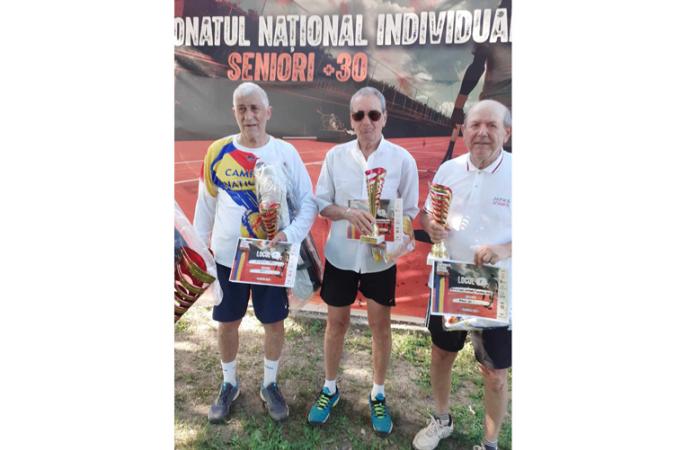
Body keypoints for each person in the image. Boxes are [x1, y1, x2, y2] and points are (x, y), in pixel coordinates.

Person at [193, 82, 317, 423]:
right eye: (242, 109)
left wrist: (289, 235)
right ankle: (229, 384)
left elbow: (308, 202)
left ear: (268, 112)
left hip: (270, 257)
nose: (249, 116)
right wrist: (202, 255)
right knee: (227, 322)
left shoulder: (285, 153)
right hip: (227, 258)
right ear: (234, 112)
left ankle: (269, 384)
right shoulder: (217, 151)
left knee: (273, 322)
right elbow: (205, 208)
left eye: (255, 108)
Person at [308, 87, 419, 436]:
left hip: (379, 260)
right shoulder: (335, 157)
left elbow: (410, 211)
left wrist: (394, 235)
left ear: (384, 117)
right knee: (336, 324)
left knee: (380, 326)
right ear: (351, 119)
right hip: (341, 256)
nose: (366, 121)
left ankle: (378, 393)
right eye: (359, 115)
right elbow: (322, 203)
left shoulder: (402, 159)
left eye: (373, 114)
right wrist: (346, 213)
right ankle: (330, 388)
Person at [412, 99, 512, 450]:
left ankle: (490, 443)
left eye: (491, 125)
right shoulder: (448, 170)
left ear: (507, 132)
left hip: (496, 291)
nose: (482, 132)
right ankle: (441, 419)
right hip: (449, 283)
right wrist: (431, 225)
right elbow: (427, 214)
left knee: (495, 374)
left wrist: (505, 249)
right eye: (475, 125)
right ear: (464, 131)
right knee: (442, 354)